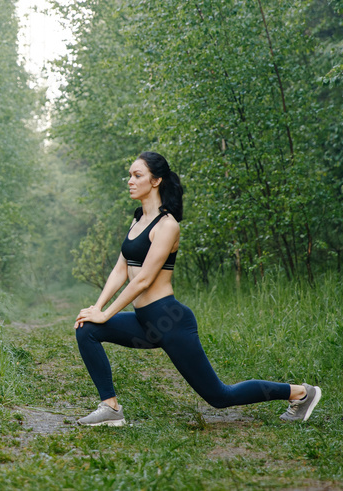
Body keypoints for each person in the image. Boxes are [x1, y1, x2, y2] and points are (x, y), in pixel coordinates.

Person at [73, 151, 321, 426]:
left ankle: (300, 393)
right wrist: (97, 308)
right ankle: (110, 408)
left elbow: (143, 279)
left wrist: (106, 314)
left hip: (169, 320)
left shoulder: (167, 226)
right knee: (87, 328)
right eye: (129, 175)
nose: (130, 181)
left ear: (156, 181)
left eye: (137, 175)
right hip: (144, 321)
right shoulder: (137, 220)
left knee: (220, 396)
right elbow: (121, 269)